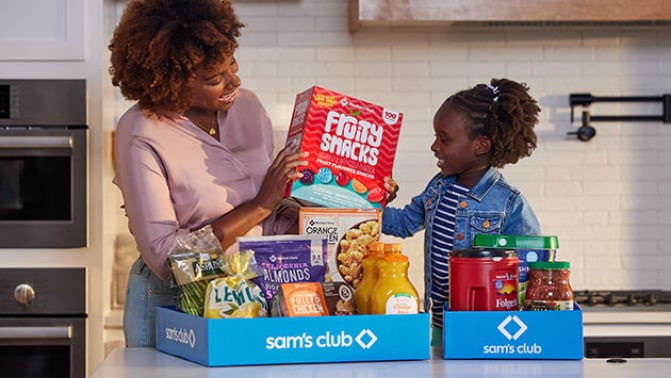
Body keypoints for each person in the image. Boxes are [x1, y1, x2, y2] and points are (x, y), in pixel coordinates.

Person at [109, 0, 307, 347]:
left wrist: (349, 196)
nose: (235, 80)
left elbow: (275, 212)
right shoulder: (140, 131)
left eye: (232, 63)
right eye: (215, 78)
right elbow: (167, 259)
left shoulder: (248, 106)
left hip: (256, 290)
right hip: (174, 301)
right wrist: (261, 205)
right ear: (173, 81)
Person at [381, 78, 542, 344]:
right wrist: (368, 203)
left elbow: (532, 271)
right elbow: (402, 223)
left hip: (487, 330)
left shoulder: (509, 203)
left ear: (480, 145)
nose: (435, 146)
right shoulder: (438, 187)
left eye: (444, 139)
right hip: (439, 327)